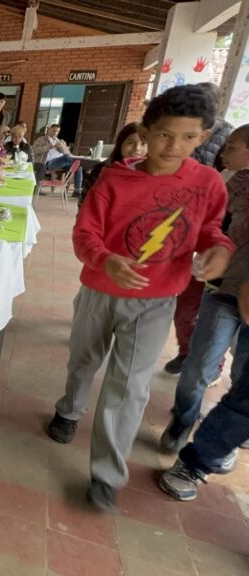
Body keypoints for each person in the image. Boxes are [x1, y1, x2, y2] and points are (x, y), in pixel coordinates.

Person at [44, 85, 233, 512]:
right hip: (100, 290)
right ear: (147, 132)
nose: (174, 146)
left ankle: (107, 474)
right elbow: (85, 233)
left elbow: (210, 229)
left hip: (156, 300)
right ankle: (69, 410)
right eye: (165, 134)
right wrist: (105, 259)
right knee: (84, 359)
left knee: (129, 386)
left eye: (188, 137)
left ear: (204, 137)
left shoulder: (206, 183)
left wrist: (219, 249)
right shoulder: (115, 179)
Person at [158, 125, 249, 466]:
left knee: (243, 376)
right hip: (221, 289)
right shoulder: (225, 183)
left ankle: (231, 433)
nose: (224, 151)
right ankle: (183, 420)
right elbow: (207, 227)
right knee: (198, 364)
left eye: (233, 146)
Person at [163, 82, 236, 374]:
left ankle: (211, 364)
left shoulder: (216, 171)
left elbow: (214, 223)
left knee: (213, 314)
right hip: (181, 223)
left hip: (215, 246)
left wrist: (220, 246)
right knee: (187, 306)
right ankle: (186, 351)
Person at [158, 324, 249, 502]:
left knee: (243, 387)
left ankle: (206, 455)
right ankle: (186, 426)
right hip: (226, 306)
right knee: (198, 369)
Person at [80, 123, 146, 208]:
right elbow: (85, 203)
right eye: (131, 143)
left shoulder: (151, 174)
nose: (137, 148)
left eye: (143, 144)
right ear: (120, 144)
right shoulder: (102, 170)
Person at [32, 124, 83, 196]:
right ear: (49, 129)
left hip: (62, 162)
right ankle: (74, 161)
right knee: (68, 158)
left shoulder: (60, 141)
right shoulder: (41, 139)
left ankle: (77, 190)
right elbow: (35, 150)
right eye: (54, 130)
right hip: (49, 163)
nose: (55, 133)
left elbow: (68, 153)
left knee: (79, 166)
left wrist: (62, 148)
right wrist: (50, 146)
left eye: (57, 131)